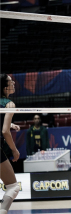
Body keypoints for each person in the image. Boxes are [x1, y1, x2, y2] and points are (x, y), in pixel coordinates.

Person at [0, 74, 20, 214]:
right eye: (10, 81)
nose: (13, 82)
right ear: (4, 86)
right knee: (13, 187)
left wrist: (10, 124)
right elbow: (5, 131)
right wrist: (14, 150)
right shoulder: (9, 104)